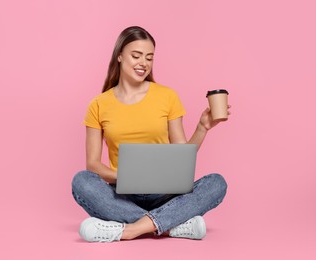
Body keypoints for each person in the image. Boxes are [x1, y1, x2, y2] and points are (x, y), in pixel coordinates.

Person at [72, 26, 230, 242]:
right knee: (82, 182)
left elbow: (182, 155)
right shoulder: (99, 104)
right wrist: (128, 177)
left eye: (149, 57)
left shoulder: (167, 96)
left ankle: (130, 230)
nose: (143, 63)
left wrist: (203, 127)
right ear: (119, 56)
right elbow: (93, 164)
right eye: (136, 56)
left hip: (166, 193)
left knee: (216, 183)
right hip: (122, 194)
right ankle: (171, 225)